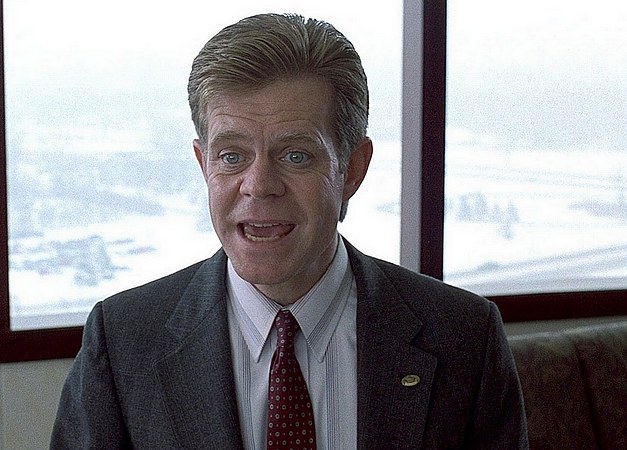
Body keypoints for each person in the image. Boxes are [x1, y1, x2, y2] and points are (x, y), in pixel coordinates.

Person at [51, 13, 528, 449]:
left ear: (352, 169)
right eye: (232, 156)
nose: (259, 185)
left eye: (295, 155)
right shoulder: (123, 342)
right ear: (203, 164)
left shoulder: (465, 337)